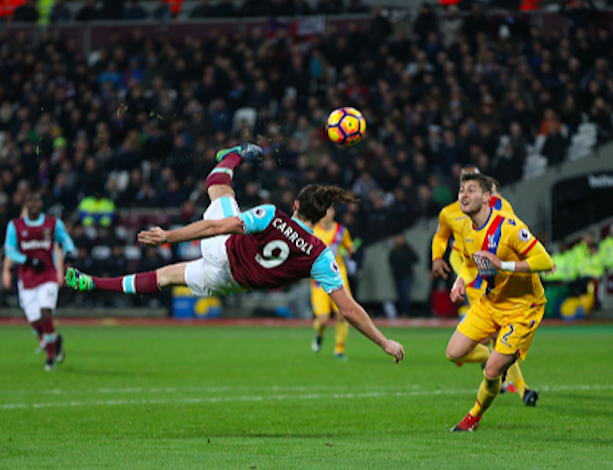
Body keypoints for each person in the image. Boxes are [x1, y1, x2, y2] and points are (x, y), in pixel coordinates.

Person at [65, 144, 404, 364]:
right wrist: (384, 341)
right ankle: (89, 282)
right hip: (232, 283)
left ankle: (234, 154)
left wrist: (169, 236)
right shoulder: (321, 255)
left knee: (219, 187)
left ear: (296, 205)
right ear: (322, 217)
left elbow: (216, 228)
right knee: (169, 277)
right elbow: (348, 309)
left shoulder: (272, 214)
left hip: (223, 253)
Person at [446, 173, 554, 431]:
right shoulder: (464, 228)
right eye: (461, 190)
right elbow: (472, 264)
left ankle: (472, 418)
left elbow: (545, 261)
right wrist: (461, 280)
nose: (464, 194)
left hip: (522, 309)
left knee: (492, 371)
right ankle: (499, 359)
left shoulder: (509, 226)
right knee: (454, 353)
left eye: (471, 190)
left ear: (487, 197)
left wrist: (503, 264)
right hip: (491, 303)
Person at [431, 169, 535, 404]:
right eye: (463, 186)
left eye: (472, 185)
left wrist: (533, 260)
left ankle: (518, 386)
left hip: (497, 278)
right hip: (472, 278)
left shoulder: (502, 208)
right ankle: (515, 383)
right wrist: (441, 260)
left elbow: (518, 234)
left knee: (498, 337)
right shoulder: (450, 214)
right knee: (494, 340)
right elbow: (446, 242)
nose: (466, 191)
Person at [3, 191, 76, 371]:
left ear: (41, 203)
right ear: (26, 203)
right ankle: (56, 341)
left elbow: (66, 241)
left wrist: (69, 252)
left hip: (48, 276)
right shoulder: (15, 226)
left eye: (36, 199)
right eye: (30, 200)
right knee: (36, 323)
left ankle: (50, 358)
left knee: (46, 314)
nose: (34, 204)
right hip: (27, 279)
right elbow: (9, 250)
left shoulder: (52, 224)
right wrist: (26, 261)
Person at [310, 206, 356, 360]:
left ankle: (339, 349)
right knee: (323, 319)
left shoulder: (341, 231)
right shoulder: (312, 231)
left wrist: (349, 250)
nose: (326, 214)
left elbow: (349, 249)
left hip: (338, 277)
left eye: (329, 210)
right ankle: (319, 332)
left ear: (334, 212)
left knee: (343, 314)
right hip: (318, 279)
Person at [388, 234, 418, 317]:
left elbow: (416, 259)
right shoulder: (394, 250)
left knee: (405, 294)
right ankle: (402, 312)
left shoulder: (407, 249)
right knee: (400, 295)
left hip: (407, 275)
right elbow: (390, 261)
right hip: (398, 276)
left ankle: (406, 312)